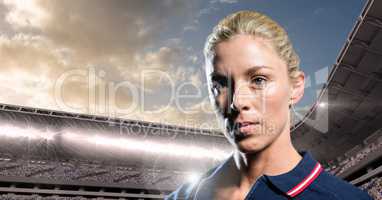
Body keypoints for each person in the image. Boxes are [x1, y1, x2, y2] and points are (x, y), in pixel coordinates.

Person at [166, 10, 372, 200]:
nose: (237, 101)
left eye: (258, 80)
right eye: (220, 85)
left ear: (296, 87)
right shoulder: (185, 196)